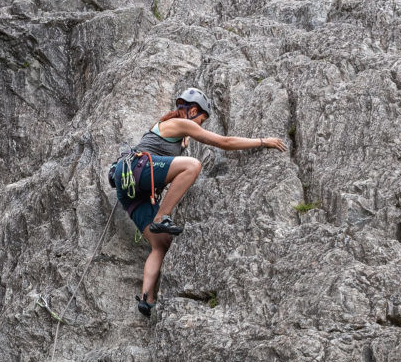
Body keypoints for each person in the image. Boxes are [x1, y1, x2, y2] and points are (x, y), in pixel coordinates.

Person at [112, 86, 287, 316]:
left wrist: (182, 141)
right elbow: (224, 141)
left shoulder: (172, 129)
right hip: (138, 170)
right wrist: (262, 141)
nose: (199, 126)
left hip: (130, 189)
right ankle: (161, 216)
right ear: (193, 110)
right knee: (192, 165)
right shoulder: (182, 123)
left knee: (161, 244)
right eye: (201, 120)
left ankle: (147, 299)